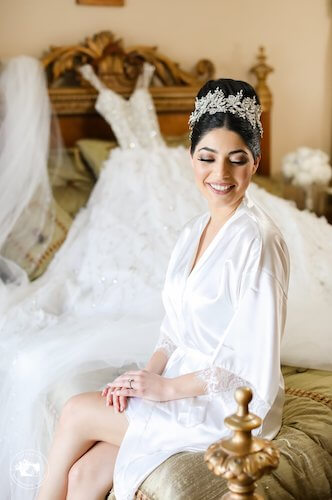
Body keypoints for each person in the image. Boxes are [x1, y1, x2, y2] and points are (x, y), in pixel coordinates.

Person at [37, 78, 289, 500]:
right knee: (83, 476)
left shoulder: (257, 240)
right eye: (207, 157)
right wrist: (144, 377)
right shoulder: (193, 231)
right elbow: (173, 330)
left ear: (256, 162)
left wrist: (167, 390)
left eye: (236, 159)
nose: (220, 174)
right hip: (179, 382)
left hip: (232, 403)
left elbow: (250, 362)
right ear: (191, 158)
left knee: (76, 411)